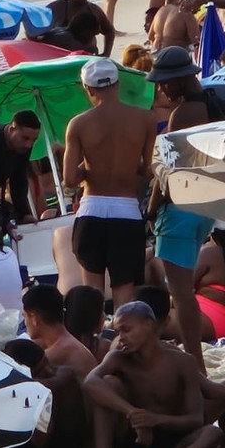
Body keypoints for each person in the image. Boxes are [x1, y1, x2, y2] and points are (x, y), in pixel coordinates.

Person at [145, 46, 225, 369]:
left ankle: (196, 362)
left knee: (181, 296)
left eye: (166, 82)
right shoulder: (214, 106)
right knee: (183, 295)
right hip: (204, 208)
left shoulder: (182, 114)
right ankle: (196, 358)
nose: (162, 88)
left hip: (179, 208)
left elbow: (167, 170)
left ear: (180, 80)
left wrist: (152, 209)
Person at [63, 57, 156, 309]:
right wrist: (127, 164)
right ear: (118, 83)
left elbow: (69, 179)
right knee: (124, 294)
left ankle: (92, 344)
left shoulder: (79, 124)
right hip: (126, 211)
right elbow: (149, 171)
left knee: (92, 295)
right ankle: (122, 344)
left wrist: (90, 166)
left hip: (91, 209)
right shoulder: (145, 120)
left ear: (88, 89)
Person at [85, 300, 225, 448]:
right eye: (118, 332)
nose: (121, 337)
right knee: (109, 384)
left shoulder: (182, 361)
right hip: (136, 437)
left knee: (212, 432)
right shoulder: (118, 357)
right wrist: (132, 412)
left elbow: (195, 419)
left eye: (126, 330)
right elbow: (90, 382)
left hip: (172, 438)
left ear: (149, 324)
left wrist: (155, 420)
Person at [22, 283, 100, 380]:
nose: (25, 323)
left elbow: (21, 374)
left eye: (25, 316)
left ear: (34, 317)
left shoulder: (61, 351)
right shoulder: (64, 342)